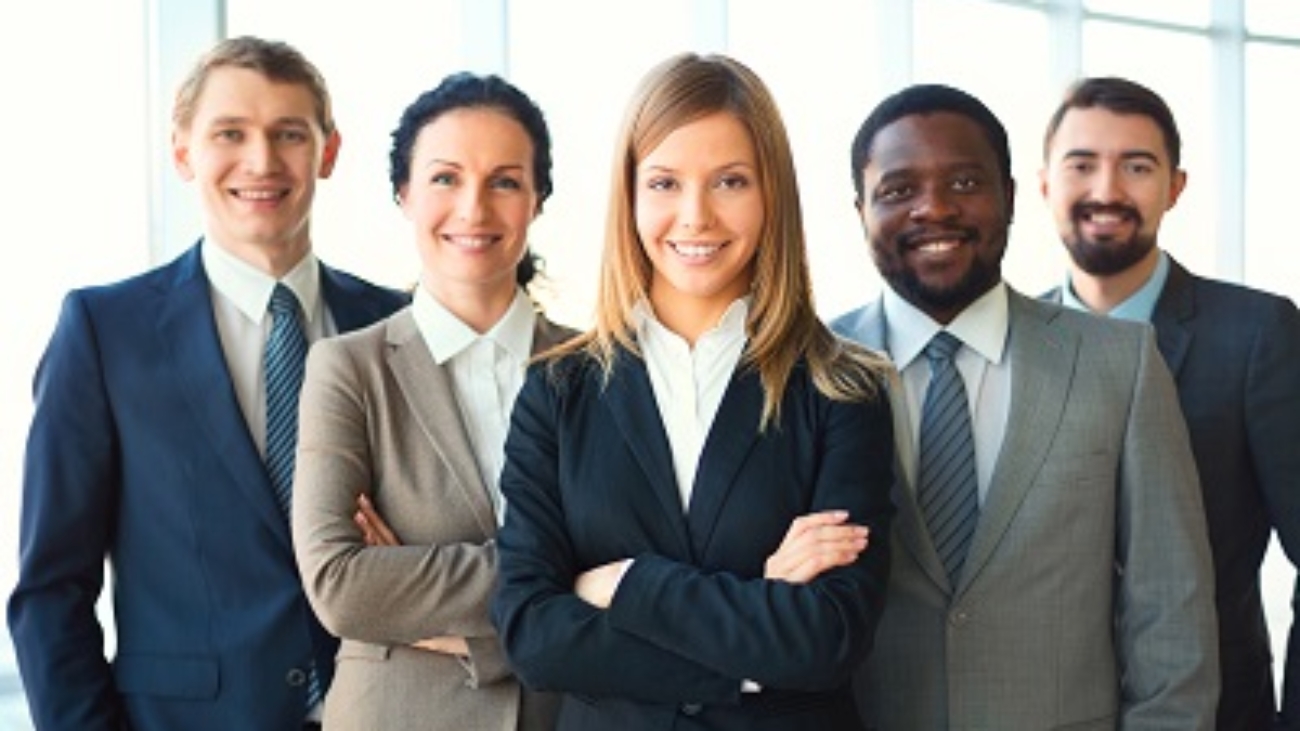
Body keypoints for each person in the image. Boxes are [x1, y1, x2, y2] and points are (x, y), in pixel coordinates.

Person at [6, 36, 406, 731]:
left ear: (329, 151)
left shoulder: (397, 324)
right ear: (184, 152)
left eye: (289, 133)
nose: (262, 161)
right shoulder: (105, 332)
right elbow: (51, 591)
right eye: (231, 133)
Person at [490, 52, 895, 731]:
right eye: (665, 182)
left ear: (772, 194)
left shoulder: (842, 387)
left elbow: (828, 637)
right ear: (631, 195)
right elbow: (534, 633)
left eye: (730, 181)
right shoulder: (557, 390)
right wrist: (753, 636)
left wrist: (622, 585)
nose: (695, 216)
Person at [830, 82, 1220, 729]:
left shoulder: (1120, 362)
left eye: (963, 182)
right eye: (899, 190)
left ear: (1010, 195)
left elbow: (1170, 608)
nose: (933, 209)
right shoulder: (807, 369)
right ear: (862, 210)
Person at [291, 71, 572, 731]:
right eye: (445, 178)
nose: (473, 208)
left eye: (504, 180)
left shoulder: (595, 367)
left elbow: (638, 571)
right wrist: (561, 580)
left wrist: (421, 598)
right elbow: (339, 582)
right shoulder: (347, 368)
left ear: (537, 200)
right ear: (404, 194)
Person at [1039, 75, 1300, 731]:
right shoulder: (1010, 343)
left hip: (1220, 710)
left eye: (1136, 166)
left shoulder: (1257, 334)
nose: (1106, 191)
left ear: (1175, 186)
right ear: (1044, 183)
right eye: (1082, 165)